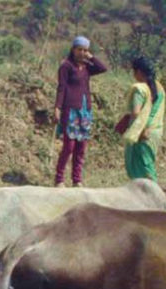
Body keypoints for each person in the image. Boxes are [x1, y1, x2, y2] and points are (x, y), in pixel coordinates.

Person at [53, 36, 107, 188]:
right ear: (73, 49)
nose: (82, 53)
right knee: (68, 146)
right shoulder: (66, 66)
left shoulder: (87, 67)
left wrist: (91, 57)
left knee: (81, 147)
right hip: (70, 110)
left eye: (85, 50)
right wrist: (57, 107)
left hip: (85, 111)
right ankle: (59, 179)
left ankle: (77, 179)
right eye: (80, 49)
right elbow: (61, 88)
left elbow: (103, 68)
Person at [122, 56, 166, 181]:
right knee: (148, 164)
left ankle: (152, 196)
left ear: (139, 72)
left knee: (141, 167)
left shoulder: (140, 89)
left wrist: (140, 130)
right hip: (155, 132)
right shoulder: (159, 88)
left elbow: (136, 113)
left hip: (142, 133)